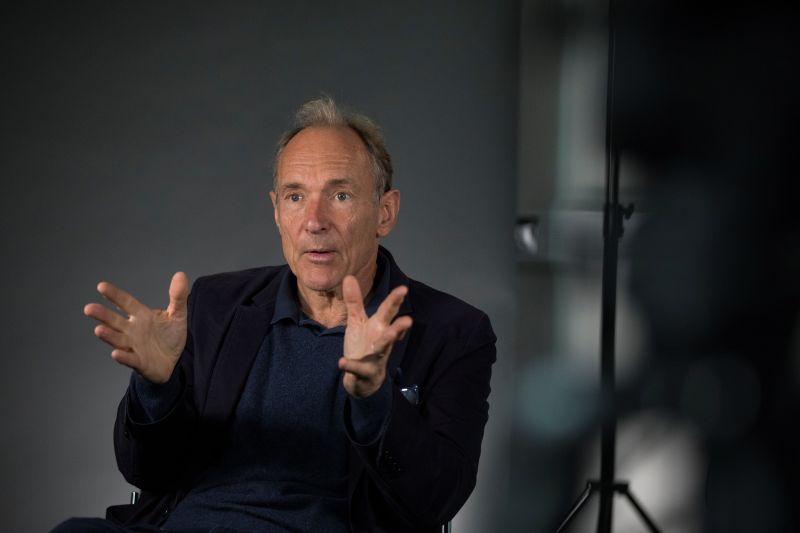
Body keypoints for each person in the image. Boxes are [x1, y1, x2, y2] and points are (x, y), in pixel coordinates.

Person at [53, 97, 496, 533]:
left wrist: (373, 401)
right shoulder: (216, 304)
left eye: (340, 195)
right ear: (276, 211)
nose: (314, 220)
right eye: (296, 196)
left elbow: (435, 501)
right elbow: (146, 473)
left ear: (385, 212)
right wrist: (156, 390)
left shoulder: (452, 331)